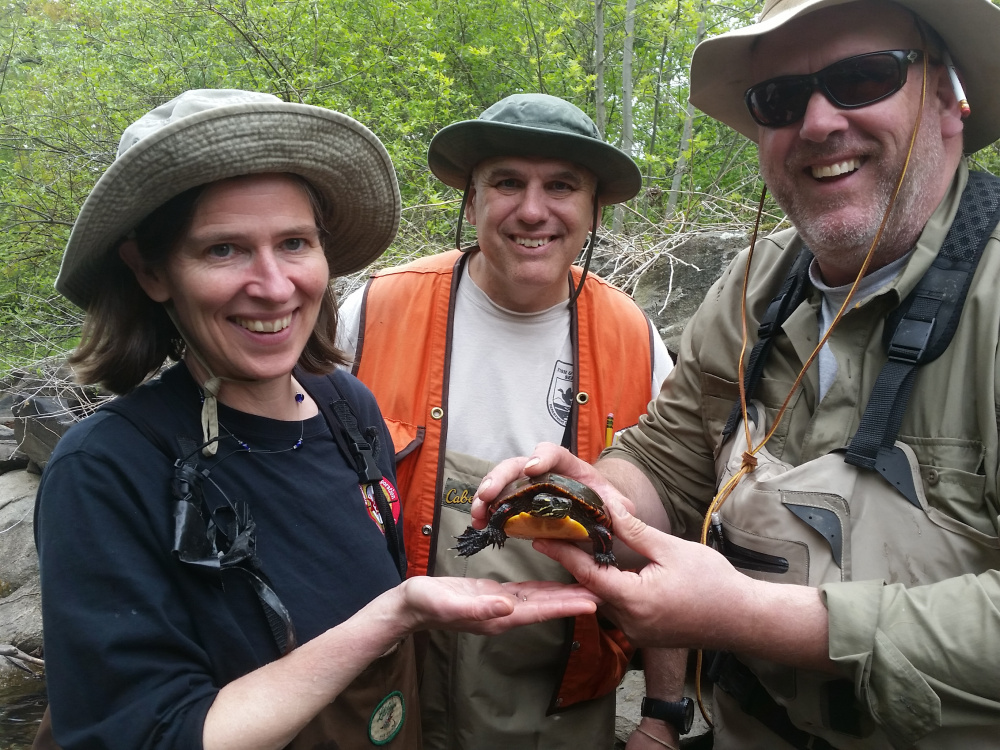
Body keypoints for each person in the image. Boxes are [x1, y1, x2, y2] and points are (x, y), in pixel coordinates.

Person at [475, 1, 1000, 748]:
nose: (818, 123)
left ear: (949, 99)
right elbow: (671, 457)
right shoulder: (752, 286)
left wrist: (753, 620)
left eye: (860, 78)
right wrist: (591, 499)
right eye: (780, 99)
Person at [32, 88, 601, 750]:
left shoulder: (346, 408)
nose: (274, 286)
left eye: (294, 242)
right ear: (152, 271)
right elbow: (147, 734)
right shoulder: (105, 472)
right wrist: (395, 614)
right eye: (224, 250)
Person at [336, 93, 674, 748]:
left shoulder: (633, 338)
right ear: (471, 201)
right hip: (394, 688)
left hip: (565, 696)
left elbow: (675, 538)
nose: (532, 209)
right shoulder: (376, 310)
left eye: (562, 186)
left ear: (594, 209)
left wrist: (662, 713)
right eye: (508, 183)